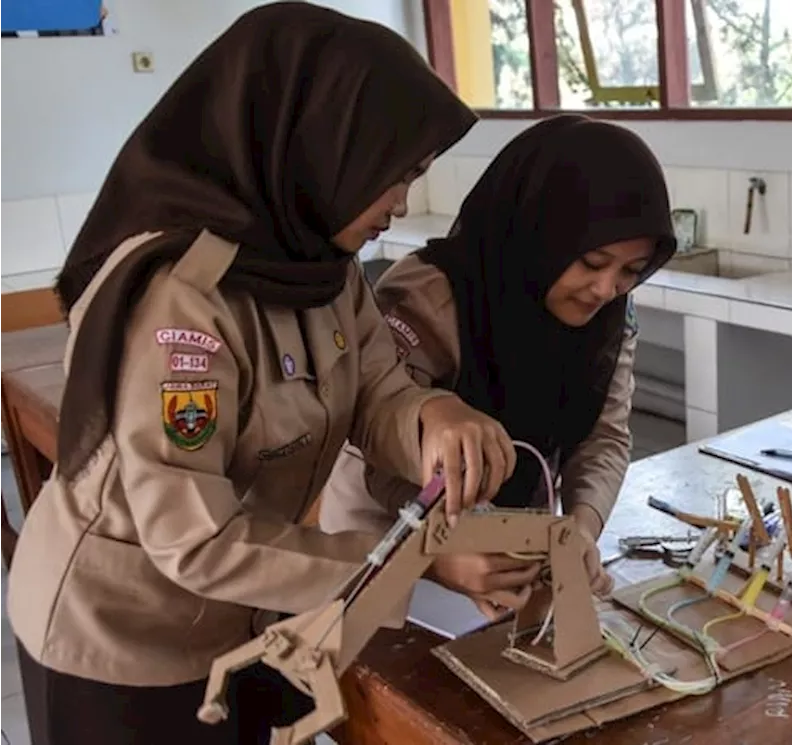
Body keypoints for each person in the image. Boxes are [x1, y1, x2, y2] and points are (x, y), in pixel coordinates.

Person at [6, 3, 518, 744]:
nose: (400, 204)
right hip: (123, 648)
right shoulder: (180, 300)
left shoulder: (321, 265)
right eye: (392, 176)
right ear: (319, 145)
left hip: (250, 614)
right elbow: (197, 541)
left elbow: (378, 389)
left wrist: (431, 417)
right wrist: (422, 559)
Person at [317, 113, 677, 617]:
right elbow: (371, 449)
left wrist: (580, 527)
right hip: (385, 550)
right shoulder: (430, 296)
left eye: (631, 272)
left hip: (506, 554)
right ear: (540, 233)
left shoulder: (612, 314)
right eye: (593, 263)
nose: (606, 289)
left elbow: (604, 435)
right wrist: (441, 548)